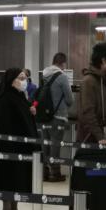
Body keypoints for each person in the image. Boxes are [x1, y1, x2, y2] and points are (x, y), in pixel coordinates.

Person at [0, 68, 38, 210]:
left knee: (18, 180)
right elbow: (1, 123)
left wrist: (30, 111)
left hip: (20, 146)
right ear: (11, 80)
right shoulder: (4, 98)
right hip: (7, 148)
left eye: (25, 78)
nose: (24, 81)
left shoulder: (19, 96)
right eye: (21, 78)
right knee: (8, 180)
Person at [41, 53, 74, 182]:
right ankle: (55, 174)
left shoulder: (44, 75)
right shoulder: (62, 77)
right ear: (62, 63)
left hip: (44, 116)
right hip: (58, 116)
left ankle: (43, 173)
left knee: (45, 145)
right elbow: (70, 99)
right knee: (55, 146)